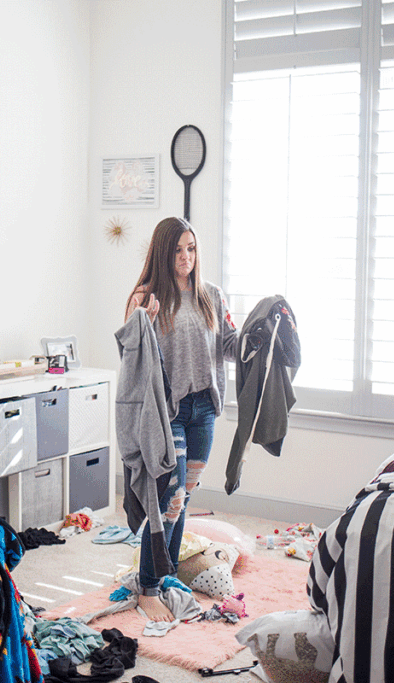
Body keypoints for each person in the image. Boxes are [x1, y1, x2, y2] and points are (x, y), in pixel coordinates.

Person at [124, 216, 239, 622]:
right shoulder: (146, 296)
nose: (186, 257)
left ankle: (168, 574)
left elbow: (229, 346)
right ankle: (148, 587)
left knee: (184, 497)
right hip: (166, 411)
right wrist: (145, 321)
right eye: (177, 250)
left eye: (191, 248)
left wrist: (259, 336)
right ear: (163, 251)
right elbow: (130, 359)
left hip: (203, 408)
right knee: (167, 500)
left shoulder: (212, 296)